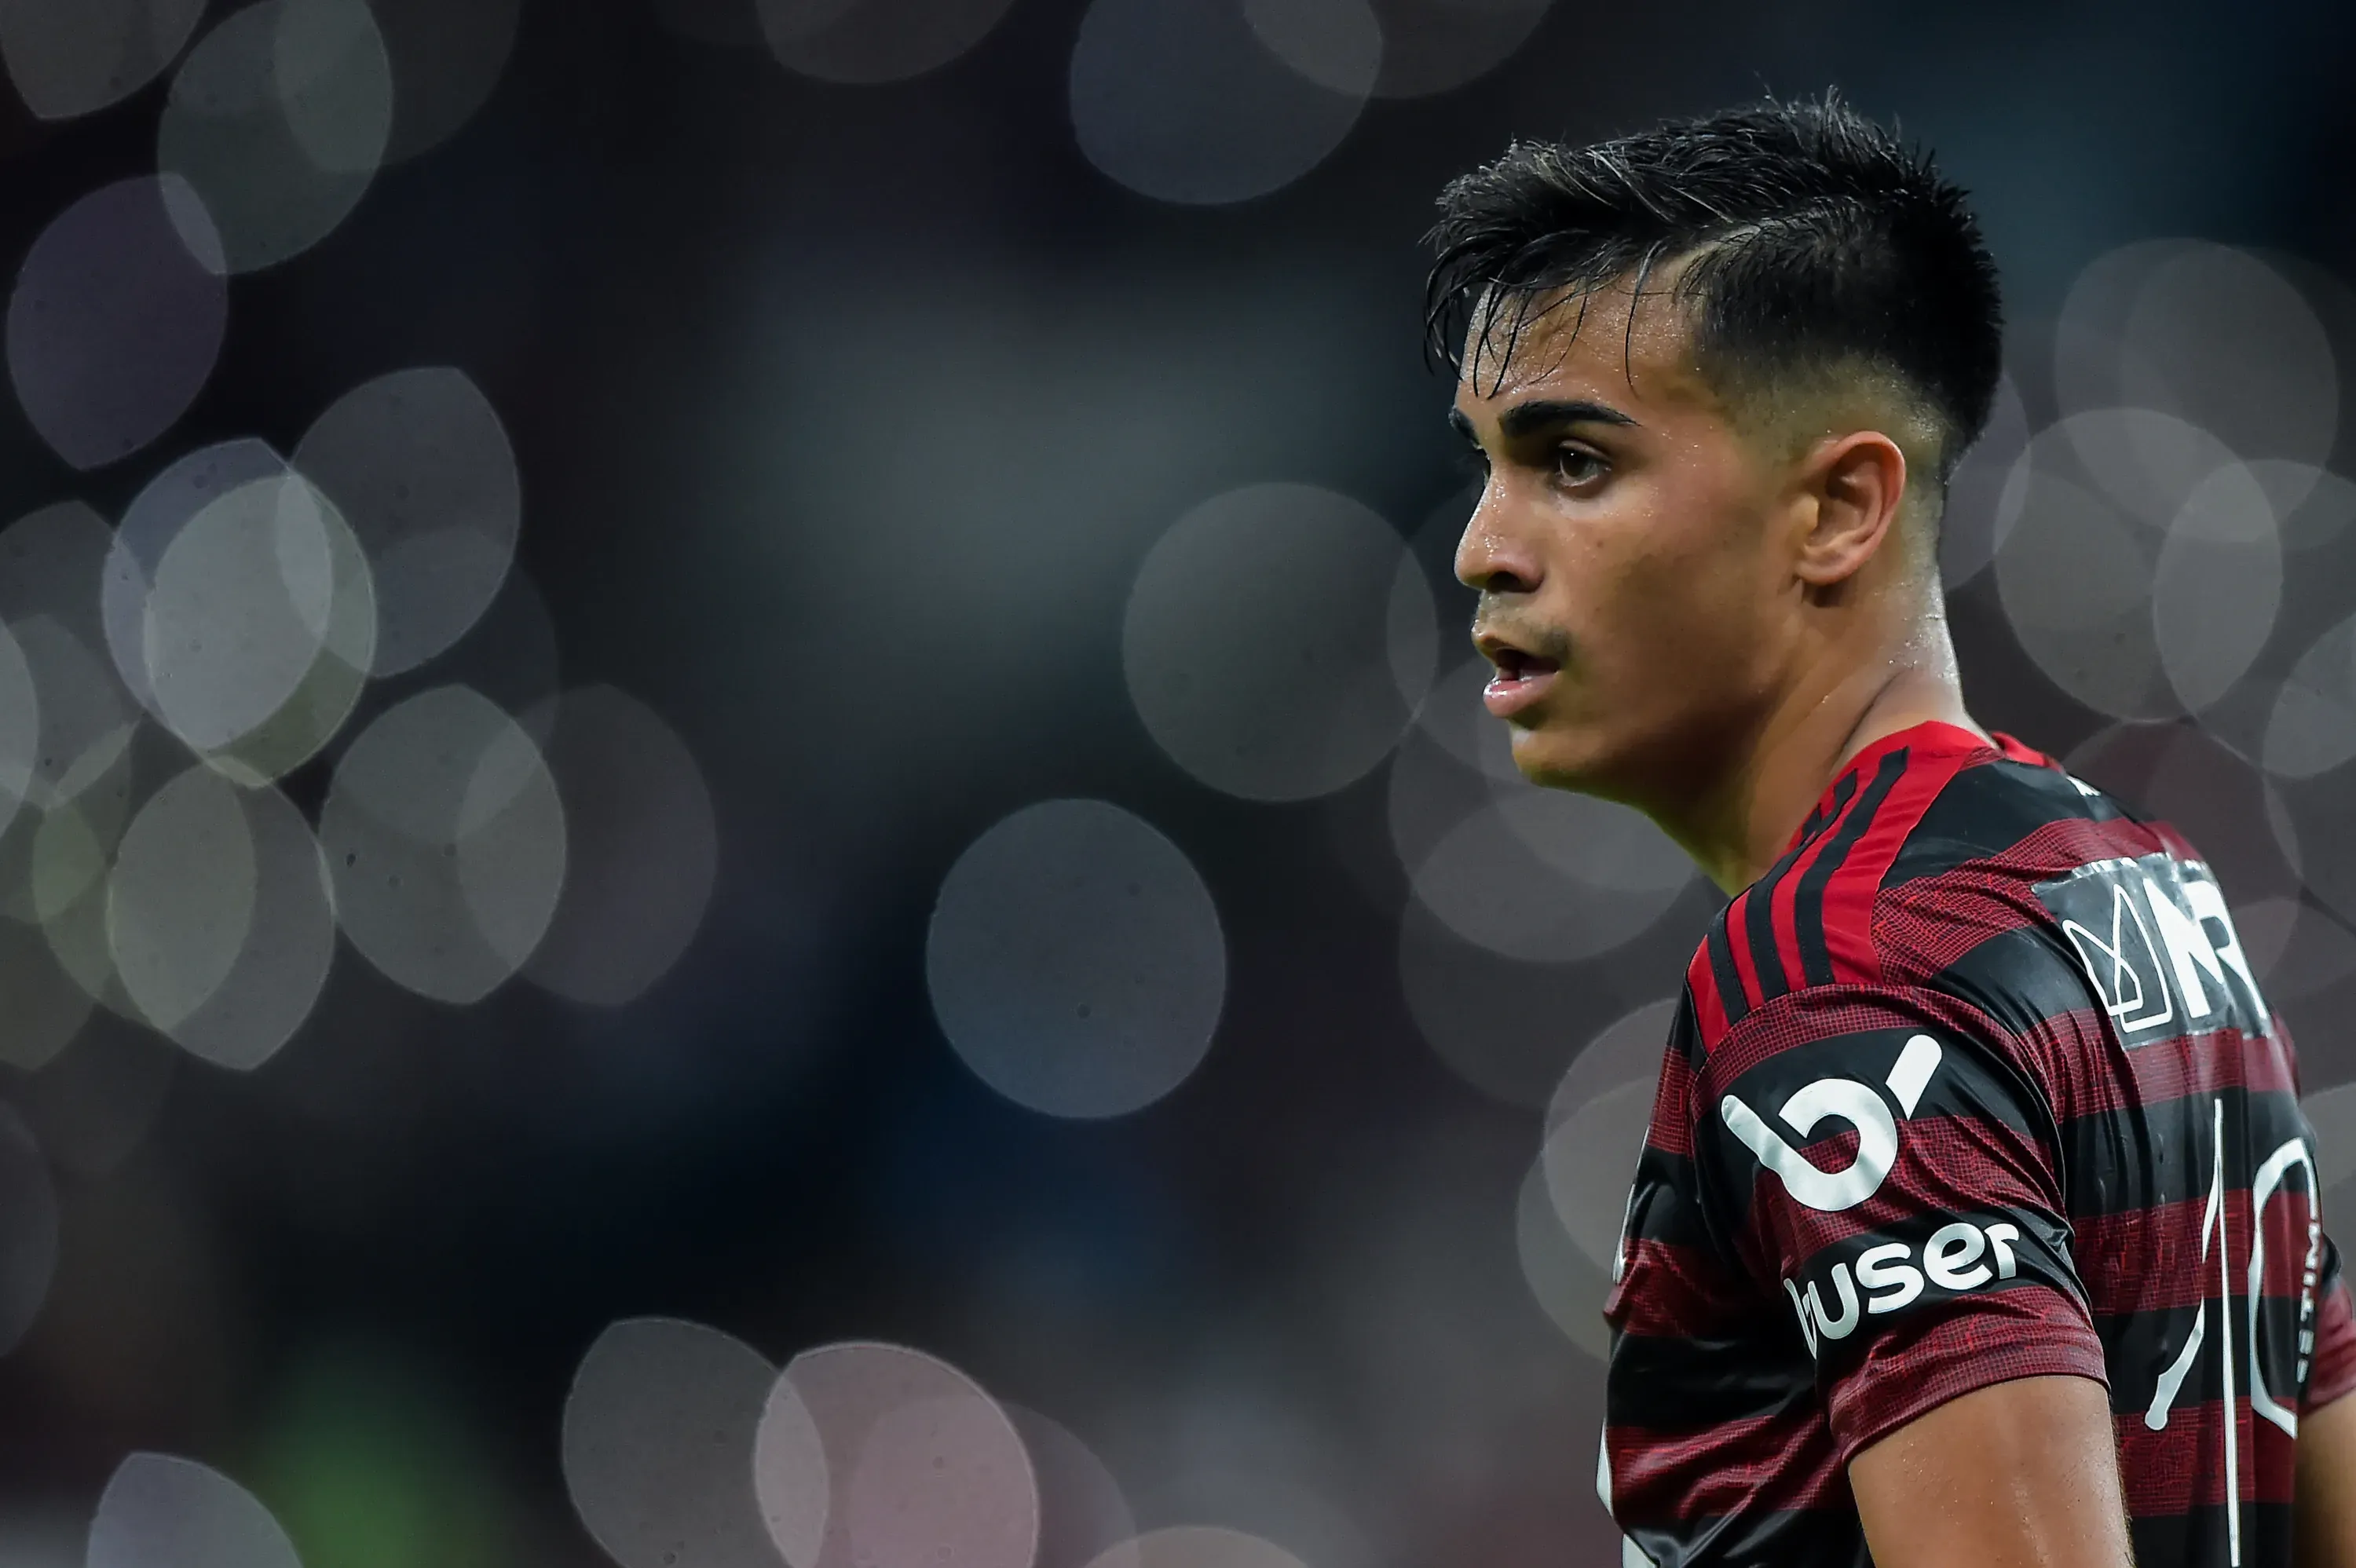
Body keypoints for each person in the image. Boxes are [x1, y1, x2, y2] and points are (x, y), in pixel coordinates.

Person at [1427, 94, 2356, 1567]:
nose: (1485, 546)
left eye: (1575, 463)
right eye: (1487, 462)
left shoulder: (1836, 970)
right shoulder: (2142, 890)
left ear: (1839, 509)